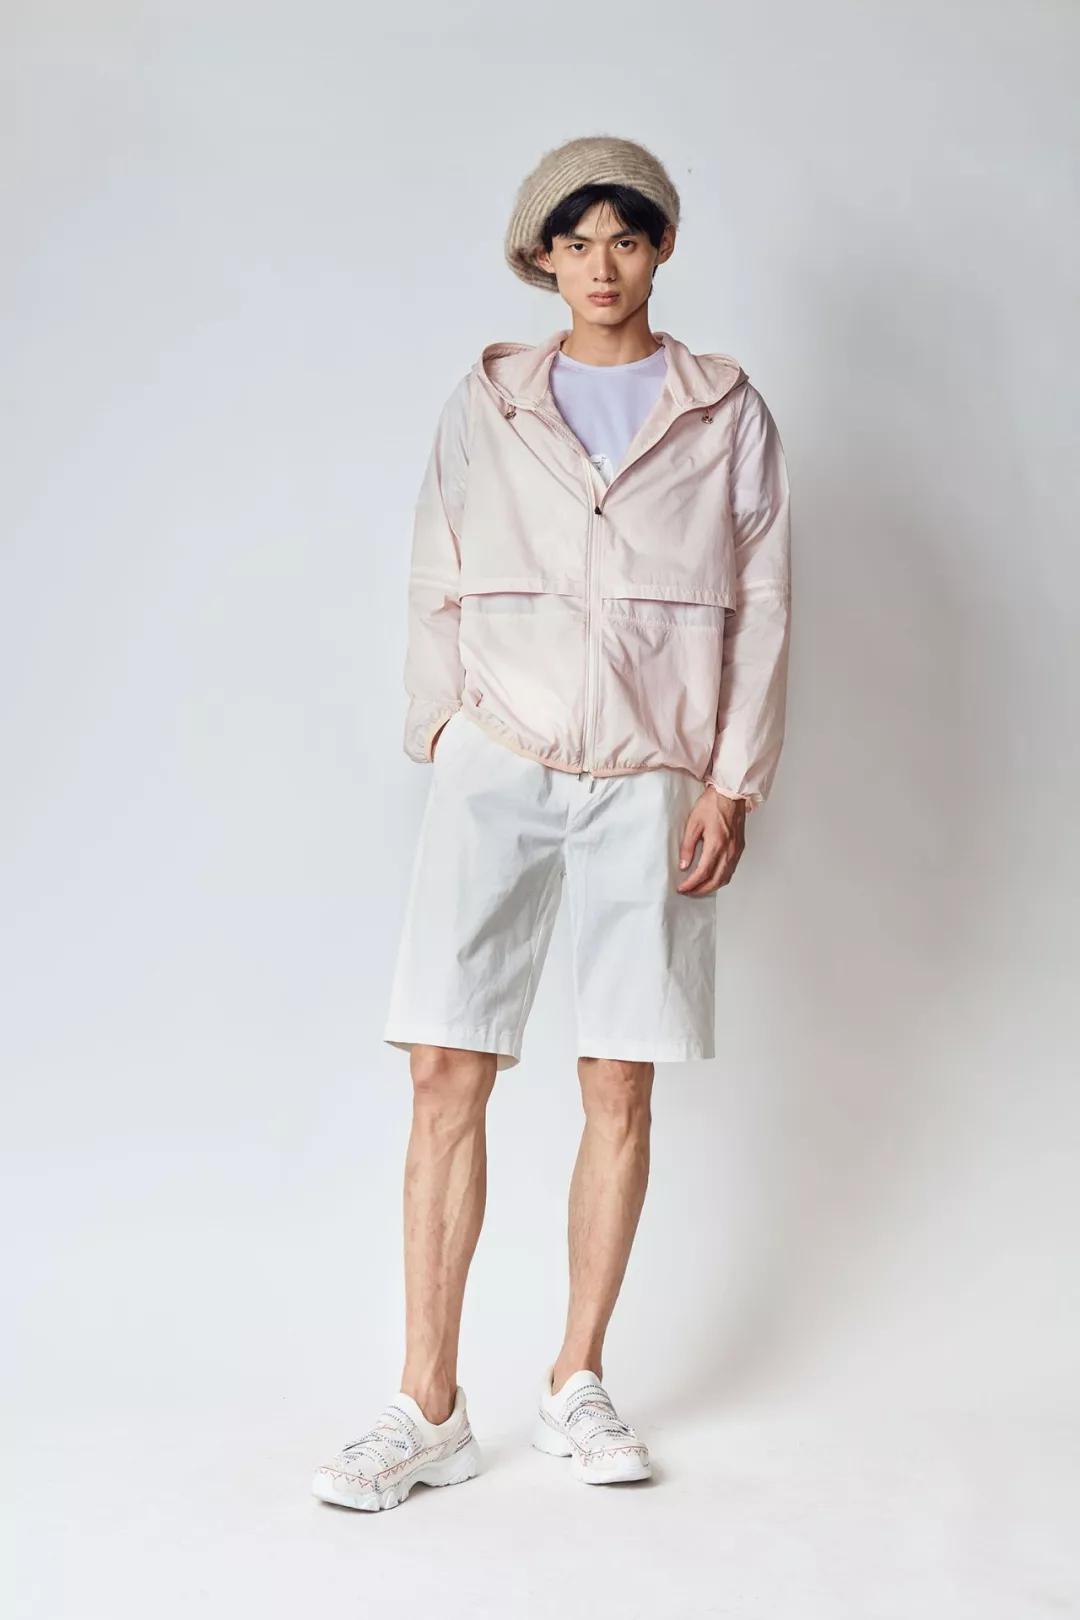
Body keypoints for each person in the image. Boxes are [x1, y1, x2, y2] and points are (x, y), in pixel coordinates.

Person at [311, 135, 792, 1511]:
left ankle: (577, 1378)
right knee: (443, 1071)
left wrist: (733, 779)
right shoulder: (490, 401)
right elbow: (437, 564)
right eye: (575, 243)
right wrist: (444, 730)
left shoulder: (726, 410)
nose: (601, 266)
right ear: (541, 259)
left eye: (624, 239)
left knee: (619, 1079)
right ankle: (428, 1406)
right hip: (501, 757)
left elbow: (765, 599)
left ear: (661, 248)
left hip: (651, 771)